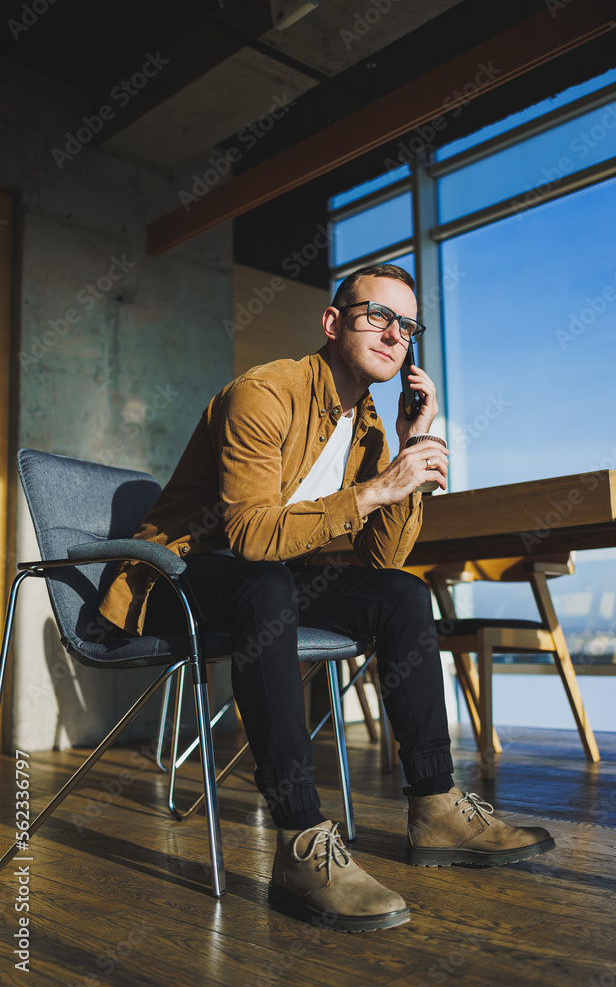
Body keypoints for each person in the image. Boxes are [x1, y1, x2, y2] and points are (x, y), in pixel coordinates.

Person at [100, 263, 555, 933]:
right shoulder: (265, 391)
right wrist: (377, 490)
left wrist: (405, 451)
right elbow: (250, 536)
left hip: (270, 581)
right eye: (378, 315)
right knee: (265, 579)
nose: (394, 334)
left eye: (407, 325)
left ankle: (433, 804)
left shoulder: (370, 427)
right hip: (175, 578)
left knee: (400, 594)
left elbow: (381, 561)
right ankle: (299, 838)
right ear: (332, 322)